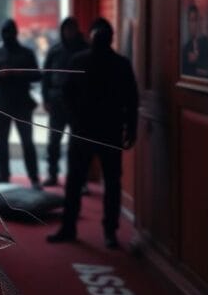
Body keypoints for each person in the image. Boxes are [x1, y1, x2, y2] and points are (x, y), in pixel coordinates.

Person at [47, 18, 139, 249]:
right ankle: (107, 232)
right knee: (107, 183)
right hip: (106, 129)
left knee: (79, 181)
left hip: (89, 130)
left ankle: (73, 227)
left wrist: (75, 118)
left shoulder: (83, 60)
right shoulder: (120, 63)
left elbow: (66, 94)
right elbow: (132, 99)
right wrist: (131, 127)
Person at [0, 19, 42, 188]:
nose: (8, 35)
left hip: (22, 103)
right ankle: (3, 176)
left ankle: (34, 177)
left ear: (16, 33)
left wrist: (21, 72)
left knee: (27, 142)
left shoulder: (27, 53)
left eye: (10, 32)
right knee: (1, 143)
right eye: (6, 32)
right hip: (2, 103)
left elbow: (38, 75)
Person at [41, 17, 88, 186]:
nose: (69, 33)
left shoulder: (85, 49)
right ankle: (53, 174)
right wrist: (45, 99)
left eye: (72, 29)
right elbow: (46, 76)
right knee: (54, 141)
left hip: (78, 103)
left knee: (78, 143)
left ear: (76, 30)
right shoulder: (55, 50)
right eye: (66, 29)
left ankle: (80, 181)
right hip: (56, 101)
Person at [181, 4, 208, 78]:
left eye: (195, 20)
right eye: (190, 20)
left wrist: (197, 62)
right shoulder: (185, 48)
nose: (192, 24)